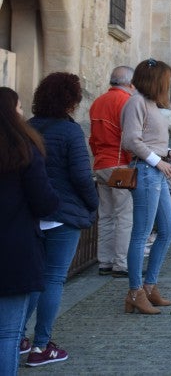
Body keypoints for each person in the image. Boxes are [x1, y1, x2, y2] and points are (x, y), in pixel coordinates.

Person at [22, 73, 98, 364]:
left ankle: (17, 338)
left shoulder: (28, 127)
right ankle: (41, 346)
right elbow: (81, 175)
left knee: (33, 279)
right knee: (53, 279)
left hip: (33, 213)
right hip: (63, 214)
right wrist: (93, 204)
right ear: (71, 101)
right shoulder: (70, 131)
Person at [121, 59, 171, 314]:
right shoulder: (137, 102)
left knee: (168, 229)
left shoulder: (148, 104)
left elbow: (148, 139)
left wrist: (167, 152)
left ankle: (148, 286)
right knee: (142, 233)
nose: (168, 85)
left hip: (154, 169)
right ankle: (136, 290)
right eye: (165, 80)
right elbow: (131, 140)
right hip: (147, 171)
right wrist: (158, 161)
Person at [0, 88, 58, 372]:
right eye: (20, 108)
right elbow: (44, 201)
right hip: (14, 251)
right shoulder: (23, 150)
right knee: (7, 335)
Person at [88, 66, 136, 278]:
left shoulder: (98, 102)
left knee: (106, 215)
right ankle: (121, 263)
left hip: (101, 163)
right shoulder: (126, 102)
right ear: (130, 83)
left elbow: (92, 138)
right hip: (119, 164)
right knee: (125, 215)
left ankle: (104, 261)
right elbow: (128, 139)